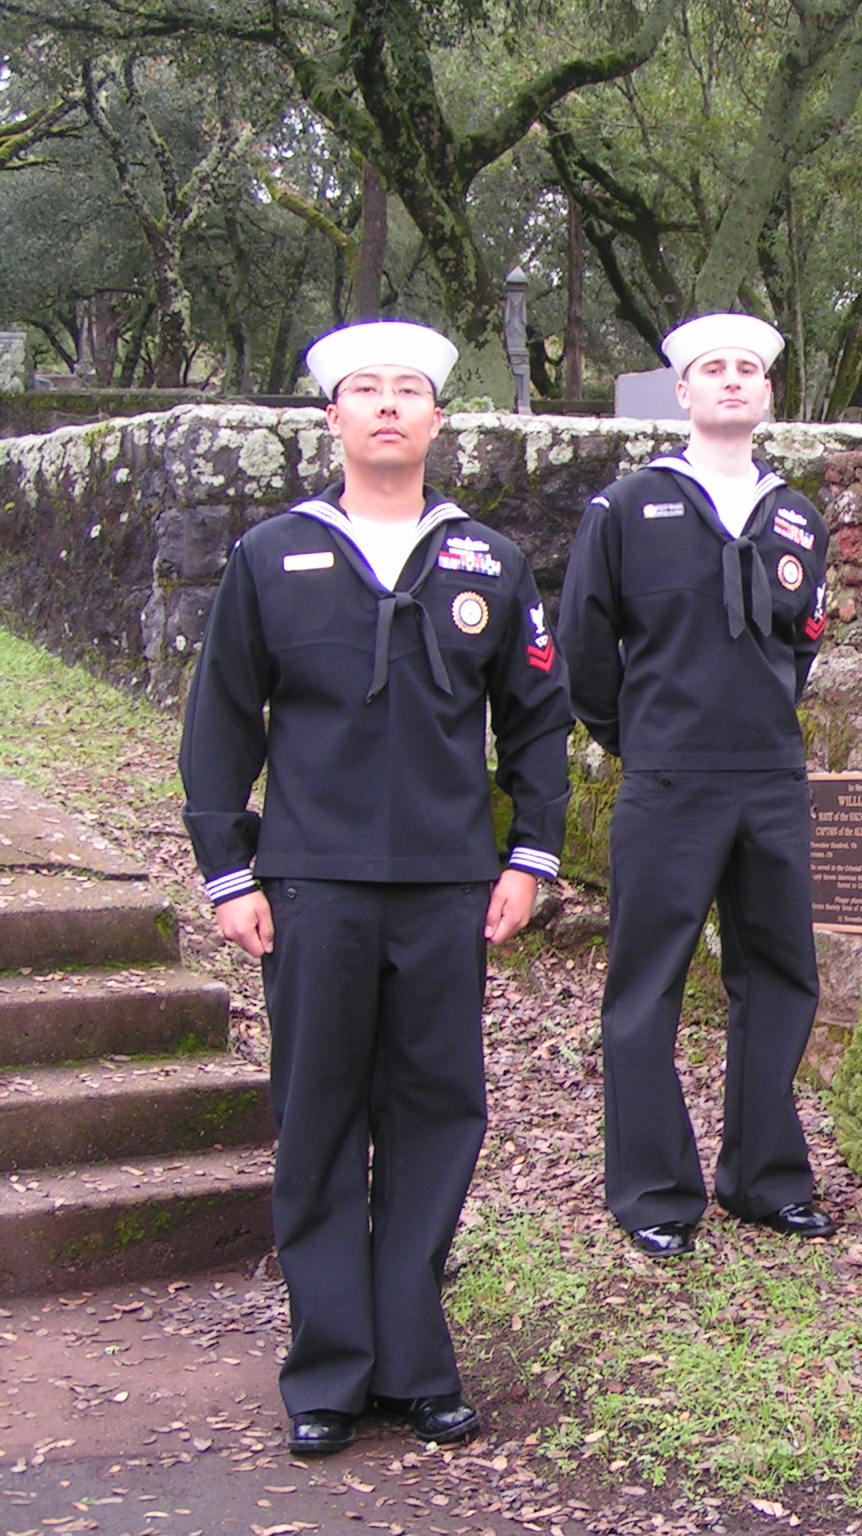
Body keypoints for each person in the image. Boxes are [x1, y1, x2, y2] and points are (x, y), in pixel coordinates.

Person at [179, 320, 572, 1456]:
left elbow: (535, 723)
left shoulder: (487, 561)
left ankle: (413, 1361)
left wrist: (529, 857)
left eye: (409, 390)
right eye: (366, 390)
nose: (389, 405)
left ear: (438, 420)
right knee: (317, 1121)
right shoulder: (271, 556)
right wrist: (229, 871)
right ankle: (328, 1372)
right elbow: (220, 725)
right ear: (333, 418)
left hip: (448, 887)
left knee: (436, 1118)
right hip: (313, 886)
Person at [559, 312, 834, 1259]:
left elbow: (800, 649)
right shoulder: (627, 507)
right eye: (713, 368)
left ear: (766, 393)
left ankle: (765, 1178)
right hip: (669, 781)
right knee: (648, 985)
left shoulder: (798, 518)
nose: (731, 380)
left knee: (780, 977)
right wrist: (642, 739)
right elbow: (585, 649)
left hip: (769, 780)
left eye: (748, 368)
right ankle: (653, 1190)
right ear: (682, 391)